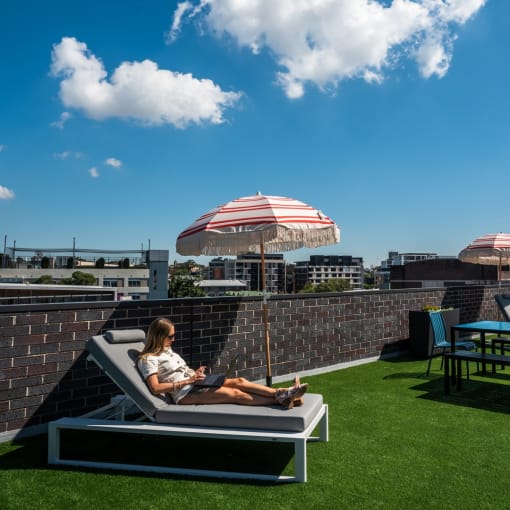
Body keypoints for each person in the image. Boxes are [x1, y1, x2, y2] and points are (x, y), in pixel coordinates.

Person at [137, 317, 308, 409]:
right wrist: (188, 381)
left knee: (239, 381)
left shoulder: (167, 350)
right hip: (184, 394)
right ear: (159, 336)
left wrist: (194, 373)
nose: (174, 339)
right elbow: (155, 388)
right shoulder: (148, 359)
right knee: (234, 394)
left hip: (196, 383)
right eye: (171, 336)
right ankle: (283, 398)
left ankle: (284, 392)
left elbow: (180, 370)